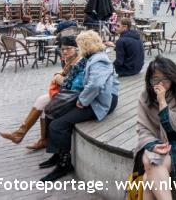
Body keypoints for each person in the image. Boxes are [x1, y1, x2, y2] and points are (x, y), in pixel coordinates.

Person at [40, 31, 119, 182]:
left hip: (102, 102)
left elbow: (95, 85)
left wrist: (82, 101)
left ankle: (65, 164)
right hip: (95, 97)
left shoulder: (99, 60)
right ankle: (57, 155)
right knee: (53, 112)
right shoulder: (94, 58)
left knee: (58, 125)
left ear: (85, 45)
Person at [0, 37, 80, 150]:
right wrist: (59, 74)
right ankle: (40, 139)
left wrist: (58, 77)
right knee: (43, 108)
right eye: (62, 49)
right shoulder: (68, 59)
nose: (65, 51)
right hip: (66, 94)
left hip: (73, 95)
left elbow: (71, 83)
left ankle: (23, 134)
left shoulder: (79, 62)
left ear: (76, 49)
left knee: (42, 101)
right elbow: (64, 74)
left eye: (68, 48)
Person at [136, 57, 176, 198]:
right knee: (150, 167)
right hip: (157, 143)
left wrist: (162, 102)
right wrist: (153, 145)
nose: (160, 83)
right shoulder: (145, 96)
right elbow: (143, 127)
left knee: (149, 171)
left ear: (172, 77)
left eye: (165, 79)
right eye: (155, 79)